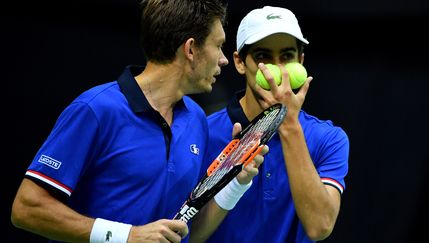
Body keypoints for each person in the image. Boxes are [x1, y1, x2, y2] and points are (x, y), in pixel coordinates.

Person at [10, 1, 267, 242]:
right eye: (218, 45)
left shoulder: (196, 120)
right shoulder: (95, 109)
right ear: (190, 49)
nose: (223, 59)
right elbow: (26, 208)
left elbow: (187, 233)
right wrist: (127, 235)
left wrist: (236, 182)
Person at [200, 6, 350, 243]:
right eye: (263, 57)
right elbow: (187, 232)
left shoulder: (329, 139)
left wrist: (288, 125)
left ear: (301, 61)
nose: (277, 70)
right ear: (239, 62)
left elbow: (320, 227)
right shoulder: (201, 132)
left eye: (287, 56)